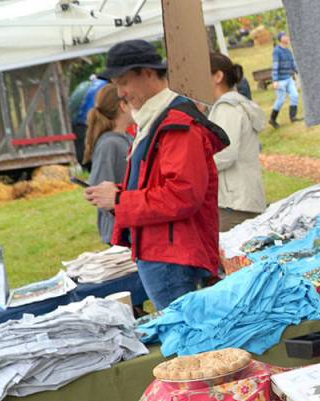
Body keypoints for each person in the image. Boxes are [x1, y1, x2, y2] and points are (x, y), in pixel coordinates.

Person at [83, 40, 229, 310]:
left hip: (172, 256)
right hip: (164, 252)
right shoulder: (157, 120)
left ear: (148, 73)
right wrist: (117, 194)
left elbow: (183, 195)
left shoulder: (177, 125)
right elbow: (160, 185)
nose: (121, 93)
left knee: (185, 333)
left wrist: (119, 200)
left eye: (124, 83)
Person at [208, 52, 267, 232]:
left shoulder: (227, 108)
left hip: (234, 202)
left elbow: (225, 153)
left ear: (218, 76)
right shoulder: (233, 105)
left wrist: (194, 166)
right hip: (241, 197)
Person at [83, 86, 134, 244]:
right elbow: (99, 188)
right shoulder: (109, 144)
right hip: (119, 234)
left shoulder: (127, 138)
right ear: (122, 106)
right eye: (132, 100)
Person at [269, 31, 301, 129]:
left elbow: (293, 64)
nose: (287, 37)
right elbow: (275, 65)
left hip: (288, 78)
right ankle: (272, 119)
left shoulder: (288, 51)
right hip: (280, 80)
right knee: (281, 99)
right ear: (280, 39)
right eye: (285, 36)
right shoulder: (277, 51)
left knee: (295, 95)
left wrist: (299, 72)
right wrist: (275, 80)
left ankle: (293, 117)